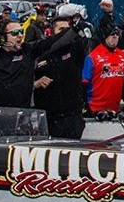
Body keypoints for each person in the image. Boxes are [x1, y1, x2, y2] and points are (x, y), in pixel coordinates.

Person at [0, 15, 77, 109]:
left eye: (21, 32)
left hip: (23, 113)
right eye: (15, 33)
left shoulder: (28, 50)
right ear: (2, 37)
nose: (20, 36)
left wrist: (75, 29)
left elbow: (53, 42)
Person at [33, 10, 91, 139]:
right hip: (48, 116)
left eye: (67, 30)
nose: (65, 34)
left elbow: (90, 43)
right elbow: (25, 81)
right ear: (52, 32)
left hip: (72, 115)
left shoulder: (75, 49)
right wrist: (35, 84)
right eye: (61, 30)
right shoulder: (41, 53)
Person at [83, 26, 124, 116]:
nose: (115, 36)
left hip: (114, 109)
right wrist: (84, 105)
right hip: (94, 108)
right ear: (105, 36)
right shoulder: (93, 56)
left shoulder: (123, 55)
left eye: (117, 34)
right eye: (112, 34)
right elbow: (84, 82)